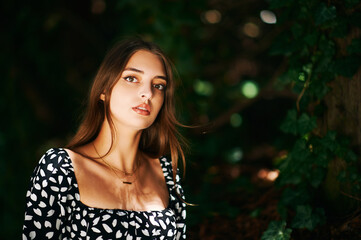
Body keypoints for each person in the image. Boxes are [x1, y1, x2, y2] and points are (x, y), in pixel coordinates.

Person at [22, 38, 187, 239]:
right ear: (104, 90)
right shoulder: (60, 168)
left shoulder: (167, 173)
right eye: (132, 78)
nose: (147, 93)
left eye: (158, 85)